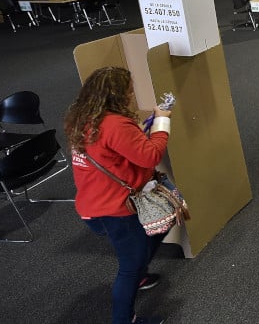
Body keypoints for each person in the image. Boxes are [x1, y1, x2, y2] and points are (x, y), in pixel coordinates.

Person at [65, 67, 172, 324]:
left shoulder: (81, 117)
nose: (132, 95)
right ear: (117, 95)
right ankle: (124, 319)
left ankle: (140, 274)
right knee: (129, 266)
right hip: (115, 208)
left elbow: (113, 152)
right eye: (129, 91)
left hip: (93, 202)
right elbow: (150, 155)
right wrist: (162, 122)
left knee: (159, 227)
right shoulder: (115, 124)